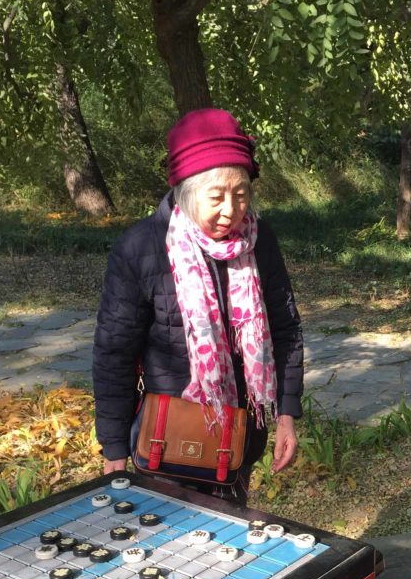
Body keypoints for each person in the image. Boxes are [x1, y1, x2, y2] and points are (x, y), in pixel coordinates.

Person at [92, 108, 302, 501]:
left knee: (230, 542)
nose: (231, 210)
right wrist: (114, 449)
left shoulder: (260, 241)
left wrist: (286, 415)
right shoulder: (141, 248)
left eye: (241, 195)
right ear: (186, 193)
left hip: (238, 438)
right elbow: (114, 352)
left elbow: (285, 329)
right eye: (217, 197)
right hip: (167, 441)